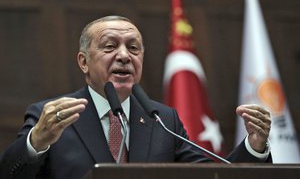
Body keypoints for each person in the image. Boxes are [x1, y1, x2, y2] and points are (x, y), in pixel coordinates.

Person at [0, 15, 272, 179]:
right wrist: (36, 141)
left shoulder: (163, 120)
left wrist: (254, 146)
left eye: (133, 48)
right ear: (83, 62)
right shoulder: (51, 116)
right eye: (110, 46)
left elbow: (214, 176)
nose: (123, 55)